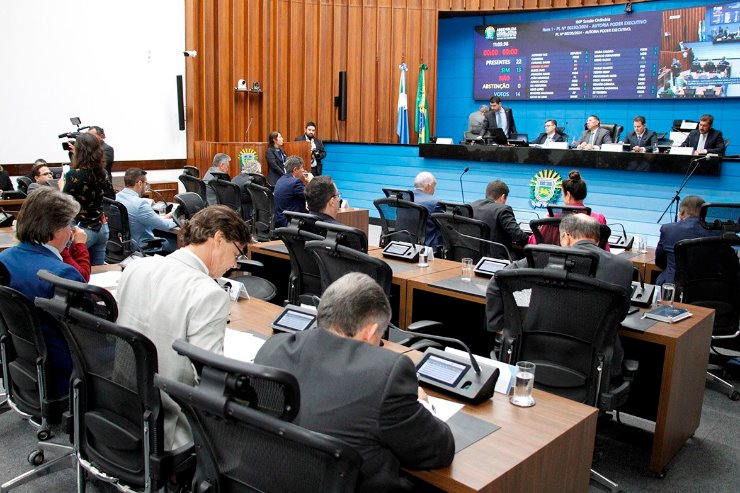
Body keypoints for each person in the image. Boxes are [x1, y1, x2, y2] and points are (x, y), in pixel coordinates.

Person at [255, 272, 455, 492]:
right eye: (380, 338)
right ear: (369, 332)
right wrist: (423, 404)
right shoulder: (386, 374)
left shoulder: (271, 348)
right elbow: (437, 451)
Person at [116, 205, 250, 450]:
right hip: (173, 423)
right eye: (236, 253)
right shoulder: (208, 293)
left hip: (122, 405)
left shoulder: (136, 267)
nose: (234, 264)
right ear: (219, 238)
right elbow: (211, 378)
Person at [487, 214, 632, 376]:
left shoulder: (542, 257)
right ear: (597, 240)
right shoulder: (624, 267)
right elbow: (620, 315)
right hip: (595, 366)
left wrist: (500, 327)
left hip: (534, 356)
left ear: (566, 237)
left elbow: (497, 280)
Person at [0, 188, 86, 397]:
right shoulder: (63, 274)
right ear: (56, 231)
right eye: (68, 225)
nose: (71, 230)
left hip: (25, 362)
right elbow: (88, 337)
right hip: (64, 371)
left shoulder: (5, 258)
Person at [63, 132, 114, 266]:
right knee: (98, 271)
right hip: (101, 227)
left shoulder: (73, 174)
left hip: (82, 228)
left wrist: (62, 186)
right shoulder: (102, 173)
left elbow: (64, 202)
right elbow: (111, 195)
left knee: (76, 269)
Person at [528, 170, 607, 249]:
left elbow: (533, 243)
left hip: (556, 260)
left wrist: (542, 224)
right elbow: (605, 250)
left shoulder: (551, 219)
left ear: (568, 195)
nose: (562, 197)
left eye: (562, 194)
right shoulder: (598, 219)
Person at [655, 195, 719, 285]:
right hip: (705, 287)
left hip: (670, 286)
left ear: (682, 213)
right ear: (705, 213)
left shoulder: (668, 229)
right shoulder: (716, 232)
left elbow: (659, 261)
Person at [115, 168, 178, 254]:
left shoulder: (116, 198)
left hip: (124, 245)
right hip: (143, 246)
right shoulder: (140, 204)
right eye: (146, 184)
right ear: (140, 183)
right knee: (180, 244)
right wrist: (179, 221)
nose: (146, 187)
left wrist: (166, 216)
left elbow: (144, 220)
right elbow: (164, 225)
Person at [472, 180, 530, 258]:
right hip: (498, 260)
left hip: (474, 257)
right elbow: (518, 236)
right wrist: (532, 240)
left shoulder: (471, 206)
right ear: (503, 197)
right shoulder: (503, 209)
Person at [273, 156, 311, 228]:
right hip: (291, 222)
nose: (303, 170)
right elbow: (313, 196)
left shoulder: (281, 179)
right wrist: (311, 181)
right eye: (302, 167)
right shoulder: (295, 182)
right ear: (295, 169)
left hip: (279, 220)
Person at [411, 171, 444, 248]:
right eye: (434, 187)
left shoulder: (405, 197)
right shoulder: (434, 202)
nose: (434, 190)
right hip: (427, 249)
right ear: (428, 186)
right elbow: (445, 225)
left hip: (404, 244)